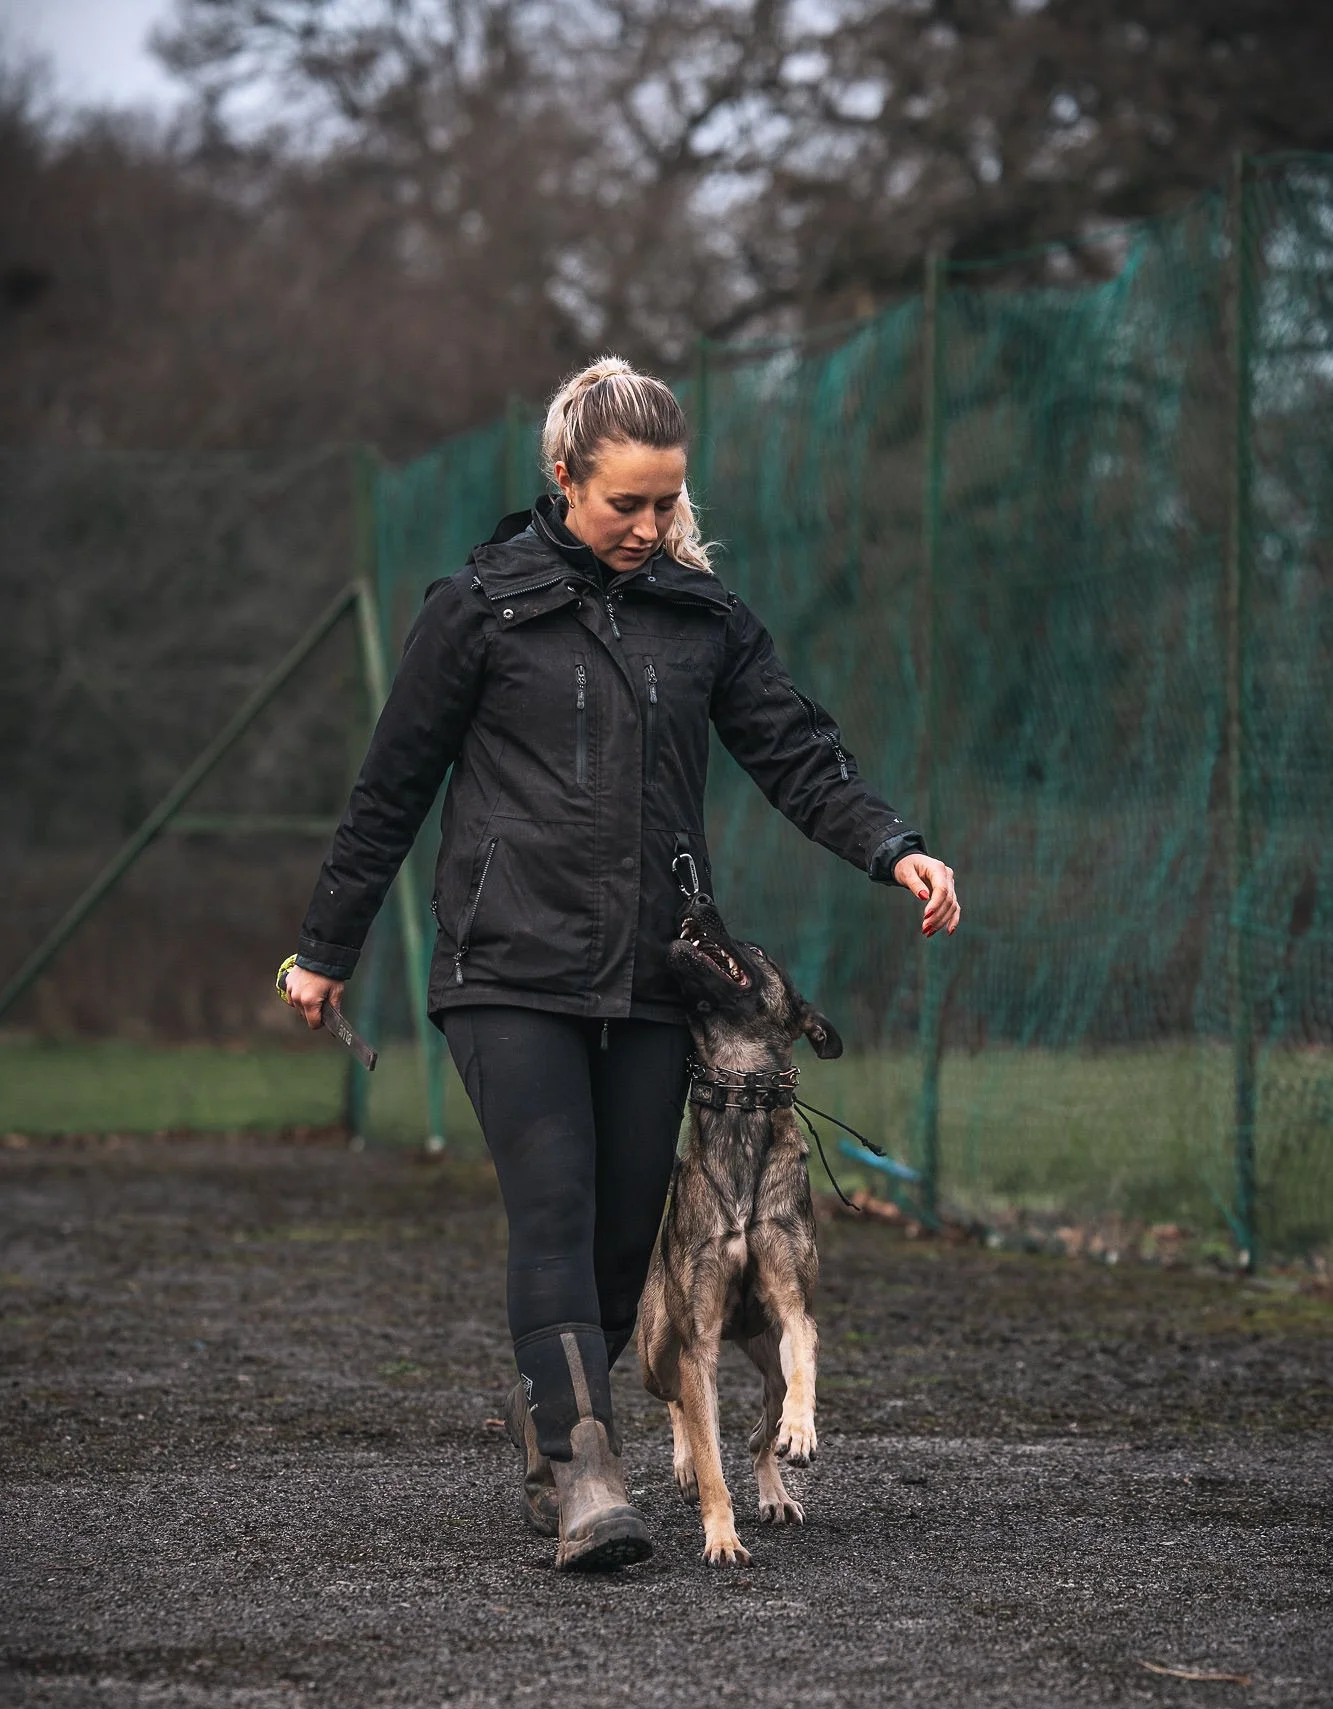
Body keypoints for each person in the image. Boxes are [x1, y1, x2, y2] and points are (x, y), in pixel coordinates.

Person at [283, 357, 960, 1572]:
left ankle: (554, 1425)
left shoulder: (701, 617)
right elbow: (390, 789)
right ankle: (590, 1471)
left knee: (617, 1234)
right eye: (625, 505)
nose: (650, 529)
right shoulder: (479, 607)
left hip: (657, 970)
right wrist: (326, 948)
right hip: (509, 964)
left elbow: (796, 753)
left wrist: (892, 847)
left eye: (666, 503)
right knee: (552, 1199)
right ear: (564, 480)